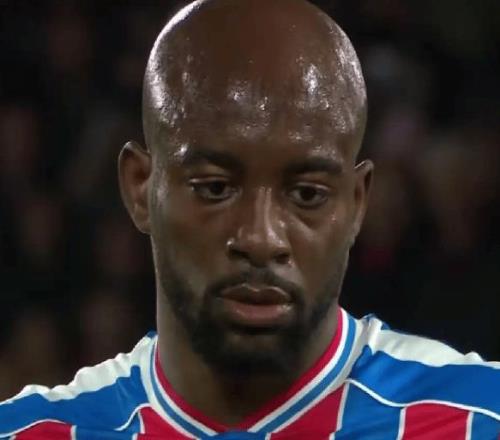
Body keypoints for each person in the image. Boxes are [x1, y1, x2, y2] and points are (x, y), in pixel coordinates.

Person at [1, 0, 499, 438]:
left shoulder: (479, 420)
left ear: (357, 203)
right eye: (216, 188)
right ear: (139, 187)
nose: (260, 238)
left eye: (307, 194)